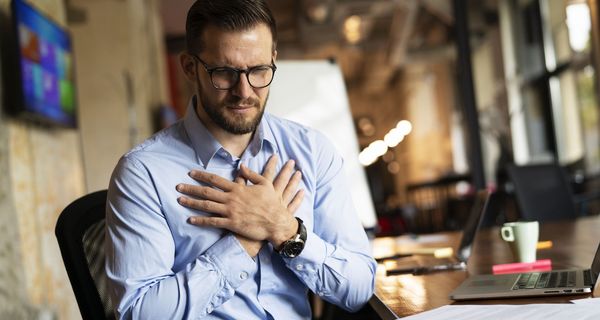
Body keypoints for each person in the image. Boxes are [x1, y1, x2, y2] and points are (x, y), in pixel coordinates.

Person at [105, 0, 376, 319]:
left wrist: (285, 229)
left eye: (259, 71)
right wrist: (243, 242)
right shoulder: (142, 172)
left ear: (273, 60)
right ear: (190, 68)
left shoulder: (313, 151)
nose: (244, 91)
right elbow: (140, 313)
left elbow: (358, 289)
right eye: (225, 73)